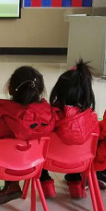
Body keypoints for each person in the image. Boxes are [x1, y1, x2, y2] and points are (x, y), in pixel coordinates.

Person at [0, 66, 56, 205]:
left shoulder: (6, 115)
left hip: (1, 166)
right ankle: (13, 184)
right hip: (33, 166)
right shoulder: (49, 114)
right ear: (40, 91)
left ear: (10, 89)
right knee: (16, 143)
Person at [41, 61, 100, 199]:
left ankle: (45, 183)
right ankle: (75, 184)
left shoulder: (50, 115)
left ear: (58, 91)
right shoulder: (92, 118)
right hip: (80, 163)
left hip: (48, 161)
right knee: (77, 147)